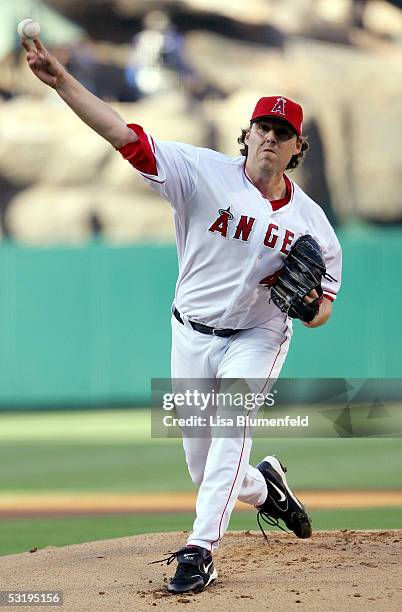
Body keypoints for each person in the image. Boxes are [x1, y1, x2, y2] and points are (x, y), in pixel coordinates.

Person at [22, 37, 342, 595]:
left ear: (297, 148)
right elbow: (123, 135)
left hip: (258, 333)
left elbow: (324, 312)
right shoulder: (199, 172)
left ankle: (200, 550)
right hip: (191, 330)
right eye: (263, 127)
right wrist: (62, 82)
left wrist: (309, 306)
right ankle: (268, 490)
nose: (270, 137)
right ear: (247, 135)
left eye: (283, 132)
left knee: (229, 434)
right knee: (203, 469)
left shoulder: (314, 225)